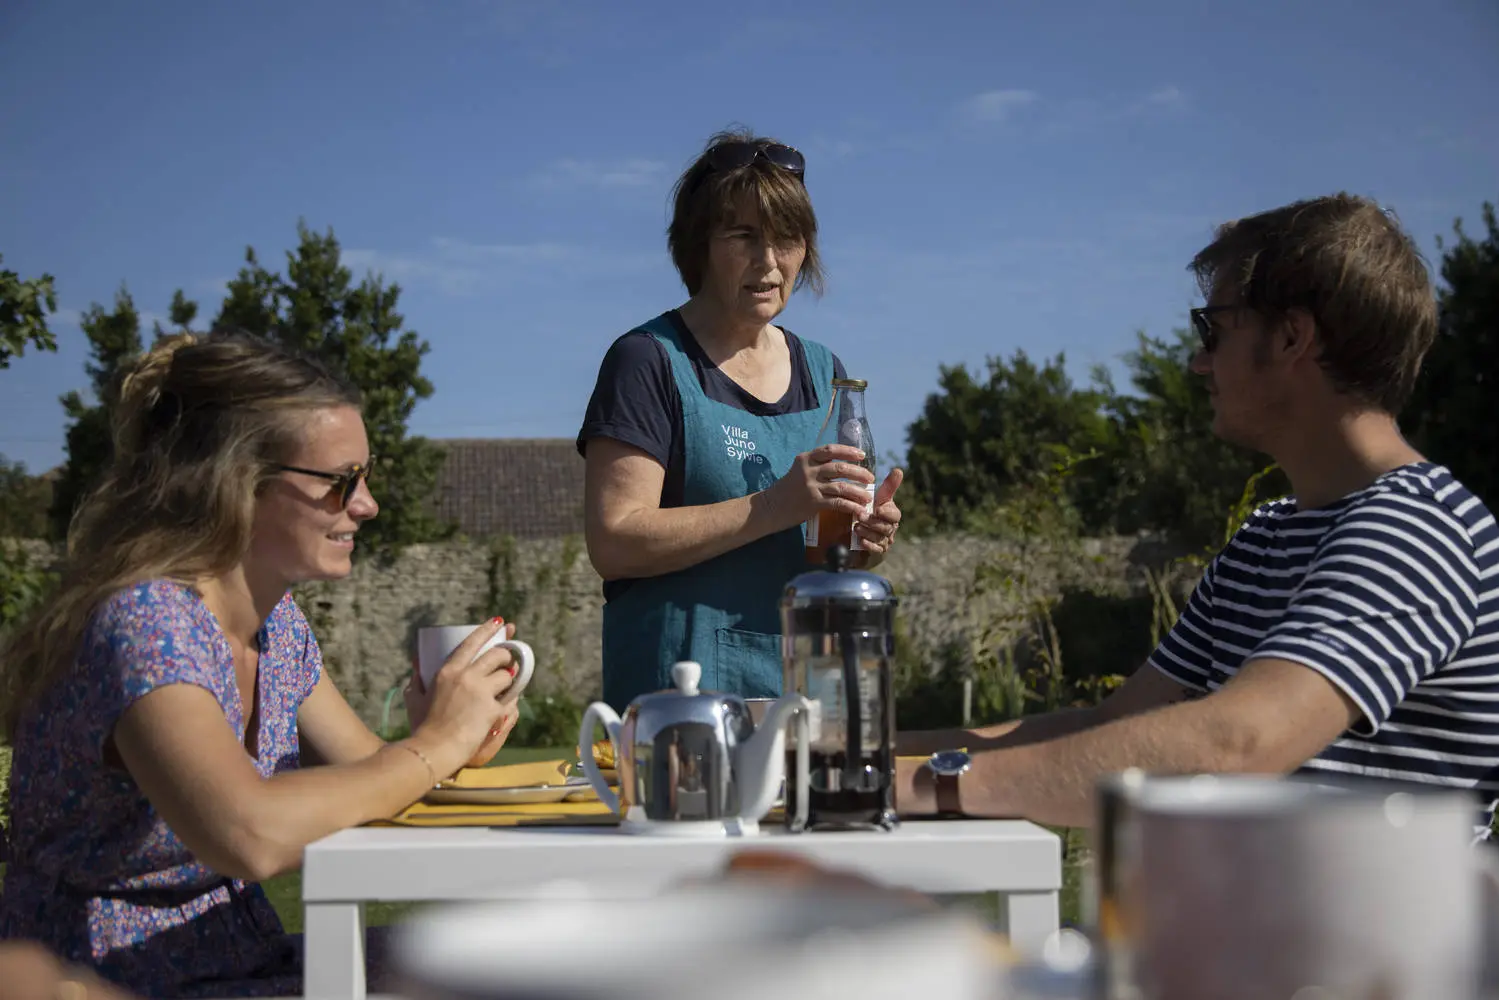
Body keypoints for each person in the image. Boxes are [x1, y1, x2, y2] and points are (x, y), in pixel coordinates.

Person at [898, 193, 1499, 838]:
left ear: (1294, 336)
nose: (1197, 361)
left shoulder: (1416, 531)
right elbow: (1112, 730)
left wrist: (916, 785)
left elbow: (1237, 746)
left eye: (1213, 329)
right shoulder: (1267, 536)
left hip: (1354, 941)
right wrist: (854, 752)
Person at [0, 332, 527, 997]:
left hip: (240, 962)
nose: (366, 505)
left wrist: (446, 739)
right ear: (235, 482)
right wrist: (431, 746)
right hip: (111, 979)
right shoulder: (146, 624)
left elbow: (366, 782)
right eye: (341, 482)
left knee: (517, 961)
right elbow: (247, 833)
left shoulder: (278, 628)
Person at [578, 126, 904, 710]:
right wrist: (774, 506)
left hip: (802, 696)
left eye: (787, 238)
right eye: (744, 236)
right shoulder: (648, 361)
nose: (770, 263)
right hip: (677, 704)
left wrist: (860, 544)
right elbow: (615, 541)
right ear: (700, 242)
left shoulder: (824, 370)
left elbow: (818, 550)